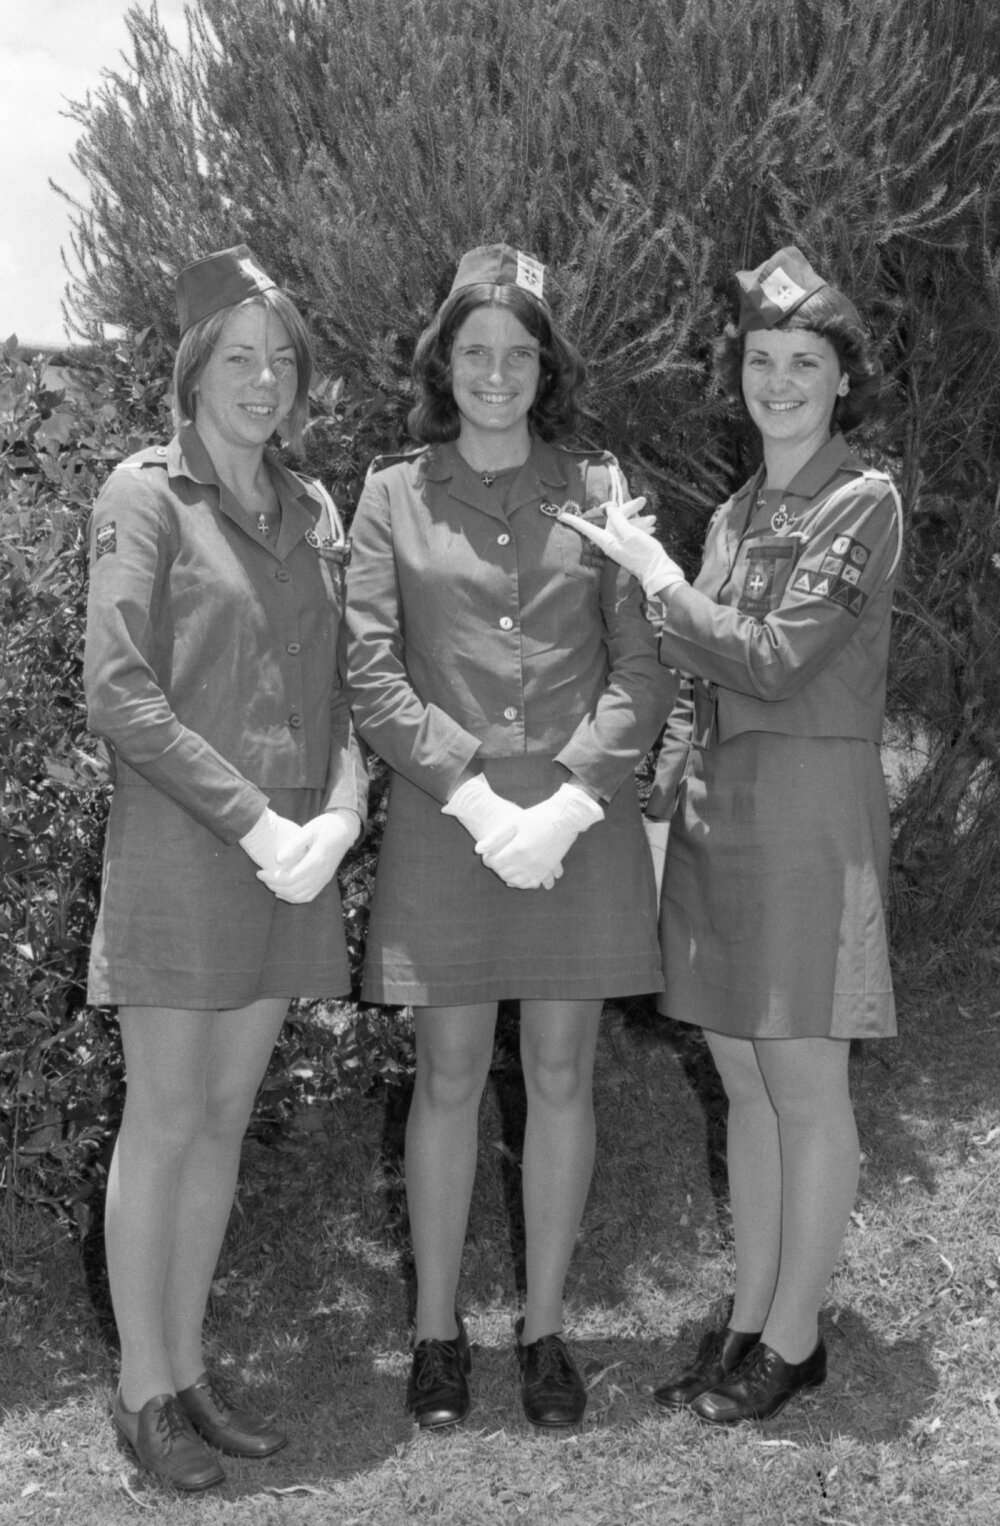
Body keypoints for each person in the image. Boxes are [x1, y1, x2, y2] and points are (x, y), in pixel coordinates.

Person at [561, 246, 902, 1424]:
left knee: (803, 1080)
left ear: (842, 381)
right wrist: (654, 801)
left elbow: (769, 655)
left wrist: (652, 569)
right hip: (718, 807)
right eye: (761, 361)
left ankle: (797, 1337)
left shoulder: (863, 499)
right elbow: (704, 676)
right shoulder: (737, 510)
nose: (779, 382)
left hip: (807, 811)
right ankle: (751, 1318)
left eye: (804, 362)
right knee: (746, 1078)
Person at [345, 244, 674, 1430]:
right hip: (451, 822)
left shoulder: (596, 485)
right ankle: (437, 1332)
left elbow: (640, 665)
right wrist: (478, 798)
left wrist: (577, 798)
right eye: (474, 351)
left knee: (559, 1074)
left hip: (576, 828)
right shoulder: (392, 491)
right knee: (443, 1077)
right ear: (444, 363)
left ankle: (543, 1328)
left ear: (546, 365)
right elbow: (372, 671)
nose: (496, 372)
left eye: (518, 352)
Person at [84, 244, 366, 1489]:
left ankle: (189, 1363)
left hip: (292, 857)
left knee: (225, 1120)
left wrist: (341, 817)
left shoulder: (315, 509)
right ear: (196, 367)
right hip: (191, 847)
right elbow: (119, 691)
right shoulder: (143, 495)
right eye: (240, 358)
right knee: (164, 1118)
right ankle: (141, 1385)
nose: (265, 380)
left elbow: (351, 686)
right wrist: (257, 820)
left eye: (283, 359)